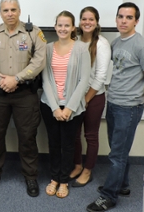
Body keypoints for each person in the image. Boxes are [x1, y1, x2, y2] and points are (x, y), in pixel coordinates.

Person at [86, 2, 144, 212]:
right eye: (120, 16)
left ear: (136, 21)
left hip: (128, 108)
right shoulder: (117, 43)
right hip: (114, 103)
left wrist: (140, 94)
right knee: (119, 150)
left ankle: (108, 196)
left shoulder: (143, 46)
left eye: (129, 17)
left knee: (117, 154)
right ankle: (123, 185)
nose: (123, 21)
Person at [0, 0, 46, 197]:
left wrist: (16, 79)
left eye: (13, 10)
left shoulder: (34, 32)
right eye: (6, 10)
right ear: (0, 12)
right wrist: (1, 78)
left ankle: (31, 176)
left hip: (25, 93)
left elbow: (39, 61)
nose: (10, 14)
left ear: (19, 10)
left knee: (27, 136)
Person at [40, 11, 91, 198]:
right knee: (53, 144)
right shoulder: (46, 49)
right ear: (55, 27)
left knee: (68, 145)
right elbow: (44, 79)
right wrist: (55, 107)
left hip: (73, 108)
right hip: (50, 105)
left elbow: (84, 79)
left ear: (73, 28)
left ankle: (63, 181)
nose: (63, 28)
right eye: (59, 25)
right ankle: (54, 178)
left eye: (66, 25)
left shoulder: (81, 48)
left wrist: (69, 107)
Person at [70, 7, 111, 187]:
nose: (87, 22)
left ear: (96, 22)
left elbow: (101, 76)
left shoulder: (102, 44)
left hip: (94, 98)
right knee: (74, 135)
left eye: (91, 19)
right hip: (75, 96)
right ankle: (78, 165)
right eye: (84, 19)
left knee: (91, 135)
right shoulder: (75, 41)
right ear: (79, 22)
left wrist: (85, 99)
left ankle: (88, 170)